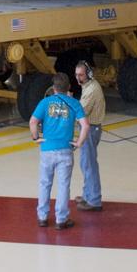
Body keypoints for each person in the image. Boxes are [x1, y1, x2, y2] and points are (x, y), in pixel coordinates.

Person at [29, 72, 89, 230]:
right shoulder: (74, 103)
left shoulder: (45, 102)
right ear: (68, 87)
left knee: (44, 183)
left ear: (53, 88)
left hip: (47, 149)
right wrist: (79, 142)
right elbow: (85, 125)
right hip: (65, 150)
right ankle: (61, 219)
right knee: (63, 185)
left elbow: (33, 122)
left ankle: (42, 217)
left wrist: (36, 138)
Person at [74, 61, 105, 211]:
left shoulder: (92, 90)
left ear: (89, 74)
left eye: (81, 75)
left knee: (89, 164)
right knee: (86, 163)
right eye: (76, 75)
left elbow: (81, 112)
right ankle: (87, 195)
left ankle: (94, 200)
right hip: (90, 128)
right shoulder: (88, 86)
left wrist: (68, 102)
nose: (78, 78)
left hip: (91, 130)